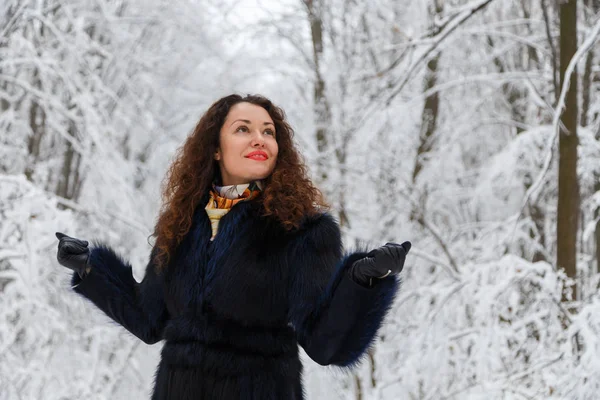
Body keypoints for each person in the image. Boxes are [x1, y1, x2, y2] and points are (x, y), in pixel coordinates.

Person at [55, 94, 411, 399]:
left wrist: (363, 279)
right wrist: (89, 268)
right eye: (243, 129)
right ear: (214, 150)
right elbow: (149, 319)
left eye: (268, 132)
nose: (260, 139)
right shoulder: (180, 224)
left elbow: (324, 343)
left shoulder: (304, 230)